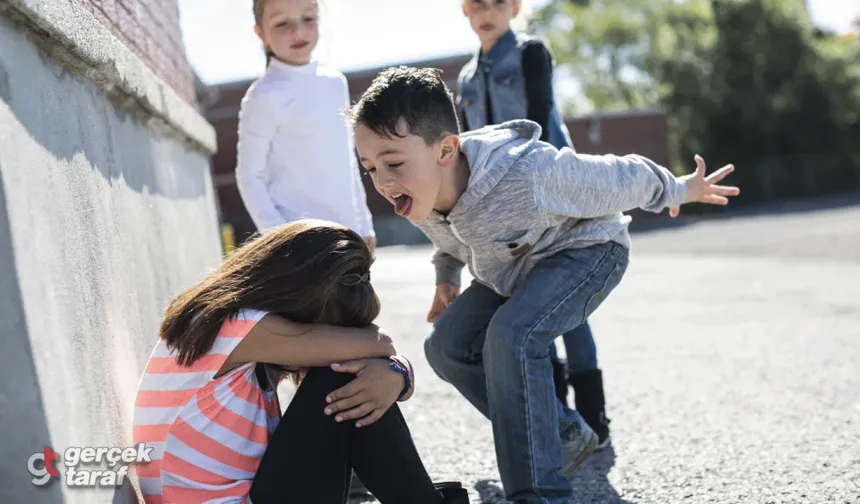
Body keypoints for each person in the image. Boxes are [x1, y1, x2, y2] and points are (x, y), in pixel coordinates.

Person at [347, 66, 739, 503]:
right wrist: (446, 277)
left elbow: (616, 176)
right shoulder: (420, 194)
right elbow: (449, 239)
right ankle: (563, 433)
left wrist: (680, 189)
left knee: (512, 335)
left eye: (394, 163)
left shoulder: (526, 173)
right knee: (445, 346)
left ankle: (540, 492)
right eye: (370, 168)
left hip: (587, 252)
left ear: (445, 150)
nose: (381, 180)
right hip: (515, 270)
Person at [131, 220, 469, 504]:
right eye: (325, 327)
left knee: (349, 375)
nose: (326, 337)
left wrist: (396, 373)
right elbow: (381, 344)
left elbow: (378, 354)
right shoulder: (237, 325)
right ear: (300, 296)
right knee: (340, 376)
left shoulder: (225, 320)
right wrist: (394, 369)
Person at [455, 0, 608, 446]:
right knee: (528, 305)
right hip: (501, 210)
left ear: (515, 6)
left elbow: (541, 120)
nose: (486, 11)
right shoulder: (465, 78)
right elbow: (467, 148)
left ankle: (594, 418)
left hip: (553, 195)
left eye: (497, 2)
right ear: (464, 9)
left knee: (568, 308)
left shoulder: (529, 53)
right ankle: (558, 419)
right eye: (475, 3)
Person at [236, 0, 376, 253]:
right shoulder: (263, 95)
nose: (298, 32)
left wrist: (364, 225)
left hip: (349, 236)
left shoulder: (336, 84)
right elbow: (249, 176)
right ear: (260, 33)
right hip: (300, 244)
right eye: (282, 24)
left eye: (308, 19)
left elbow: (347, 161)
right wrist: (281, 238)